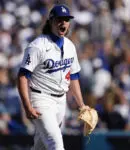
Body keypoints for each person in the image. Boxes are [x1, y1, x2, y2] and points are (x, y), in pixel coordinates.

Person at [17, 4, 89, 150]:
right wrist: (27, 106)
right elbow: (22, 77)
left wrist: (81, 105)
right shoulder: (37, 46)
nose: (63, 23)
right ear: (50, 22)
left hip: (61, 101)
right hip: (41, 99)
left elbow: (74, 76)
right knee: (55, 143)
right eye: (59, 19)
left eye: (66, 19)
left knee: (41, 146)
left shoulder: (70, 46)